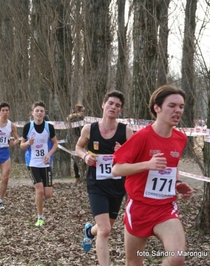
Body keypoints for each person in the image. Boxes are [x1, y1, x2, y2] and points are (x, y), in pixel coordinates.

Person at [111, 85, 193, 266]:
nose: (178, 110)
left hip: (165, 207)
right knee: (133, 262)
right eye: (172, 105)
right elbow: (117, 169)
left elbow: (172, 167)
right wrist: (147, 165)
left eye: (181, 106)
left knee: (177, 257)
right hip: (140, 207)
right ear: (157, 108)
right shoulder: (142, 137)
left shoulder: (180, 138)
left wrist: (178, 182)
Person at [75, 90, 133, 265]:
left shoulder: (126, 131)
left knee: (105, 227)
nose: (113, 107)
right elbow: (78, 147)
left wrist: (122, 153)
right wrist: (85, 157)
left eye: (117, 106)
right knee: (106, 230)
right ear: (103, 105)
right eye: (110, 103)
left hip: (117, 185)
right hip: (96, 184)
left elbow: (134, 157)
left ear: (120, 111)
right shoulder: (89, 129)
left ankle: (89, 232)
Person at [20, 101, 58, 227]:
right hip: (32, 162)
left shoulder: (49, 127)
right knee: (40, 191)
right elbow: (21, 146)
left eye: (42, 111)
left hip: (46, 163)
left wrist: (49, 154)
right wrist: (27, 144)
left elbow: (55, 144)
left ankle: (39, 200)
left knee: (48, 194)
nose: (39, 113)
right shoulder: (27, 127)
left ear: (44, 113)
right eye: (37, 111)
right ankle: (40, 217)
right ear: (32, 113)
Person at [67, 104, 85, 184]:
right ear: (78, 111)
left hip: (78, 139)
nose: (83, 113)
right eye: (82, 111)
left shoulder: (72, 118)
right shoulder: (75, 119)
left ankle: (79, 176)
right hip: (76, 140)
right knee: (76, 159)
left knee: (79, 159)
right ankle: (77, 176)